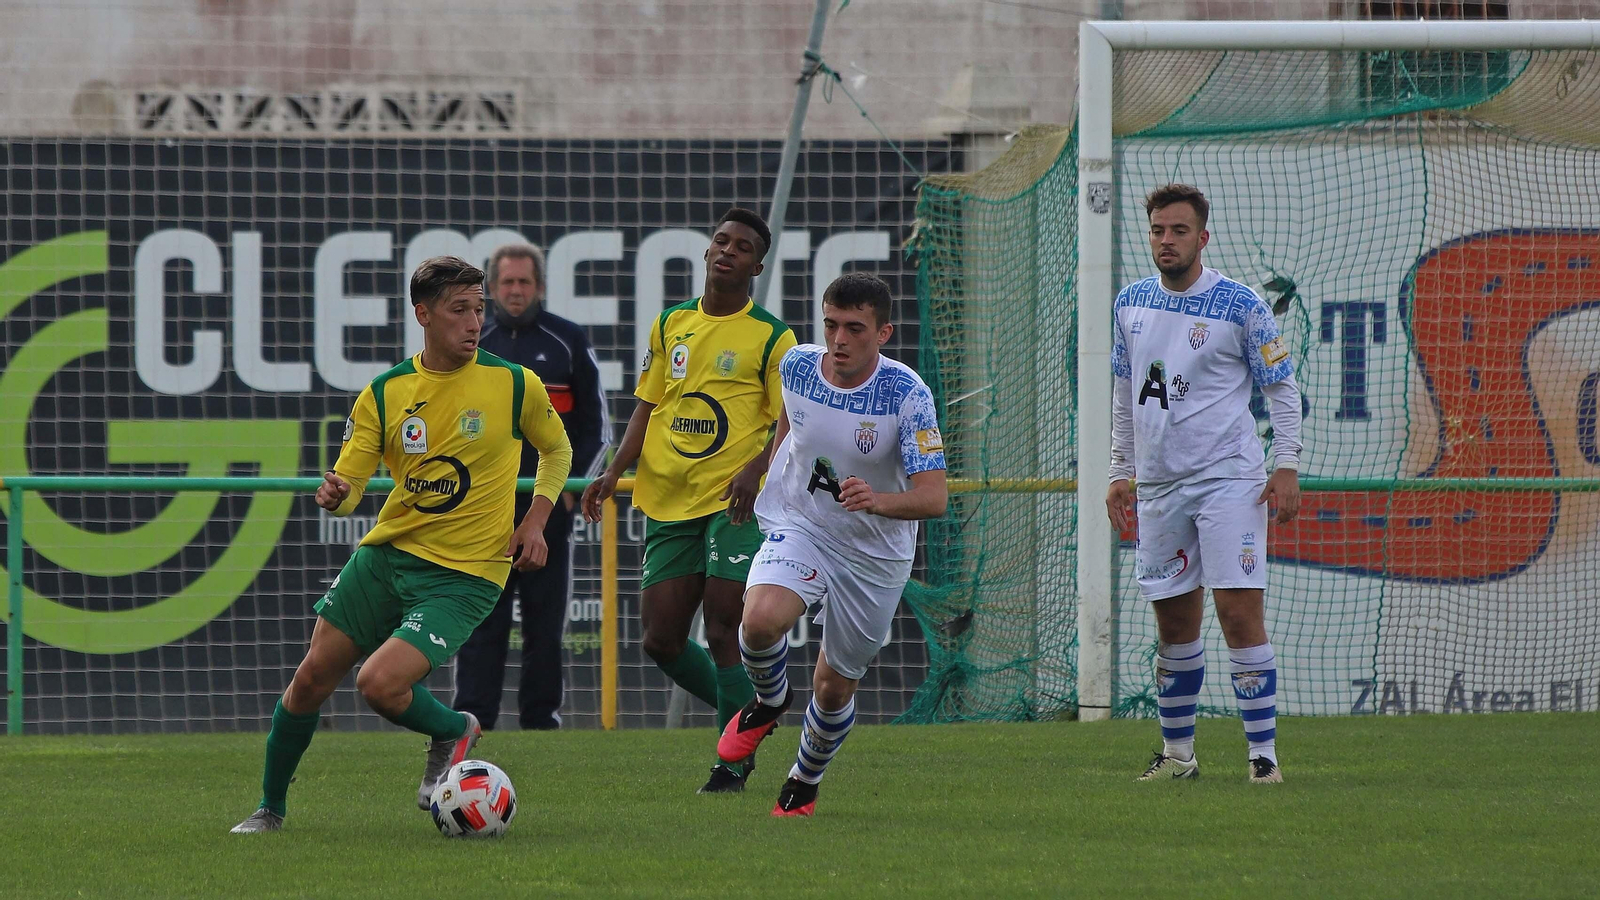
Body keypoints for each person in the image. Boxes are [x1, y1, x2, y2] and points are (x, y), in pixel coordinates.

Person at [231, 256, 573, 833]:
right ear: (423, 314)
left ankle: (452, 729)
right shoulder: (387, 394)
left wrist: (535, 520)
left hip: (466, 573)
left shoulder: (514, 383)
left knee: (379, 683)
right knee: (312, 678)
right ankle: (270, 809)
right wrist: (335, 494)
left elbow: (557, 451)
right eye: (458, 310)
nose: (472, 322)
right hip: (387, 556)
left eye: (478, 309)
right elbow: (350, 485)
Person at [713, 272, 948, 817]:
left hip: (875, 554)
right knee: (760, 618)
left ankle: (804, 777)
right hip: (806, 525)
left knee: (834, 685)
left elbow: (933, 498)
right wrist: (761, 466)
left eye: (855, 329)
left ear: (883, 332)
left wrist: (878, 500)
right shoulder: (797, 366)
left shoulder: (908, 395)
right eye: (832, 325)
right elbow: (792, 424)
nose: (840, 339)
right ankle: (770, 702)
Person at [581, 207, 796, 793]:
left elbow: (788, 423)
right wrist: (611, 473)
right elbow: (648, 408)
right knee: (661, 640)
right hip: (668, 496)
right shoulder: (670, 324)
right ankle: (751, 713)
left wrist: (755, 469)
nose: (728, 251)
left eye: (742, 246)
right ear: (706, 253)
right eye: (720, 241)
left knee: (726, 626)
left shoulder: (775, 337)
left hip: (734, 501)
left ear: (757, 264)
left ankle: (732, 760)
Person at [1105, 184, 1301, 784]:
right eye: (1159, 230)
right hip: (1160, 486)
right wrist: (1120, 472)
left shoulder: (1240, 305)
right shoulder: (1130, 303)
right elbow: (1122, 394)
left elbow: (1280, 387)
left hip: (1229, 479)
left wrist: (1287, 463)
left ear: (1203, 237)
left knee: (1239, 614)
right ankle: (1179, 756)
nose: (1167, 240)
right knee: (1173, 624)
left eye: (1179, 231)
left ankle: (1262, 758)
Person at [453, 242, 609, 731]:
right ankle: (471, 724)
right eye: (506, 283)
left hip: (546, 511)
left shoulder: (566, 340)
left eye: (524, 282)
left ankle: (542, 725)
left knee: (545, 626)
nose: (515, 291)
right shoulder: (473, 343)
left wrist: (563, 492)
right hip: (483, 513)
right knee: (481, 622)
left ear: (538, 286)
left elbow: (596, 427)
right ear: (491, 290)